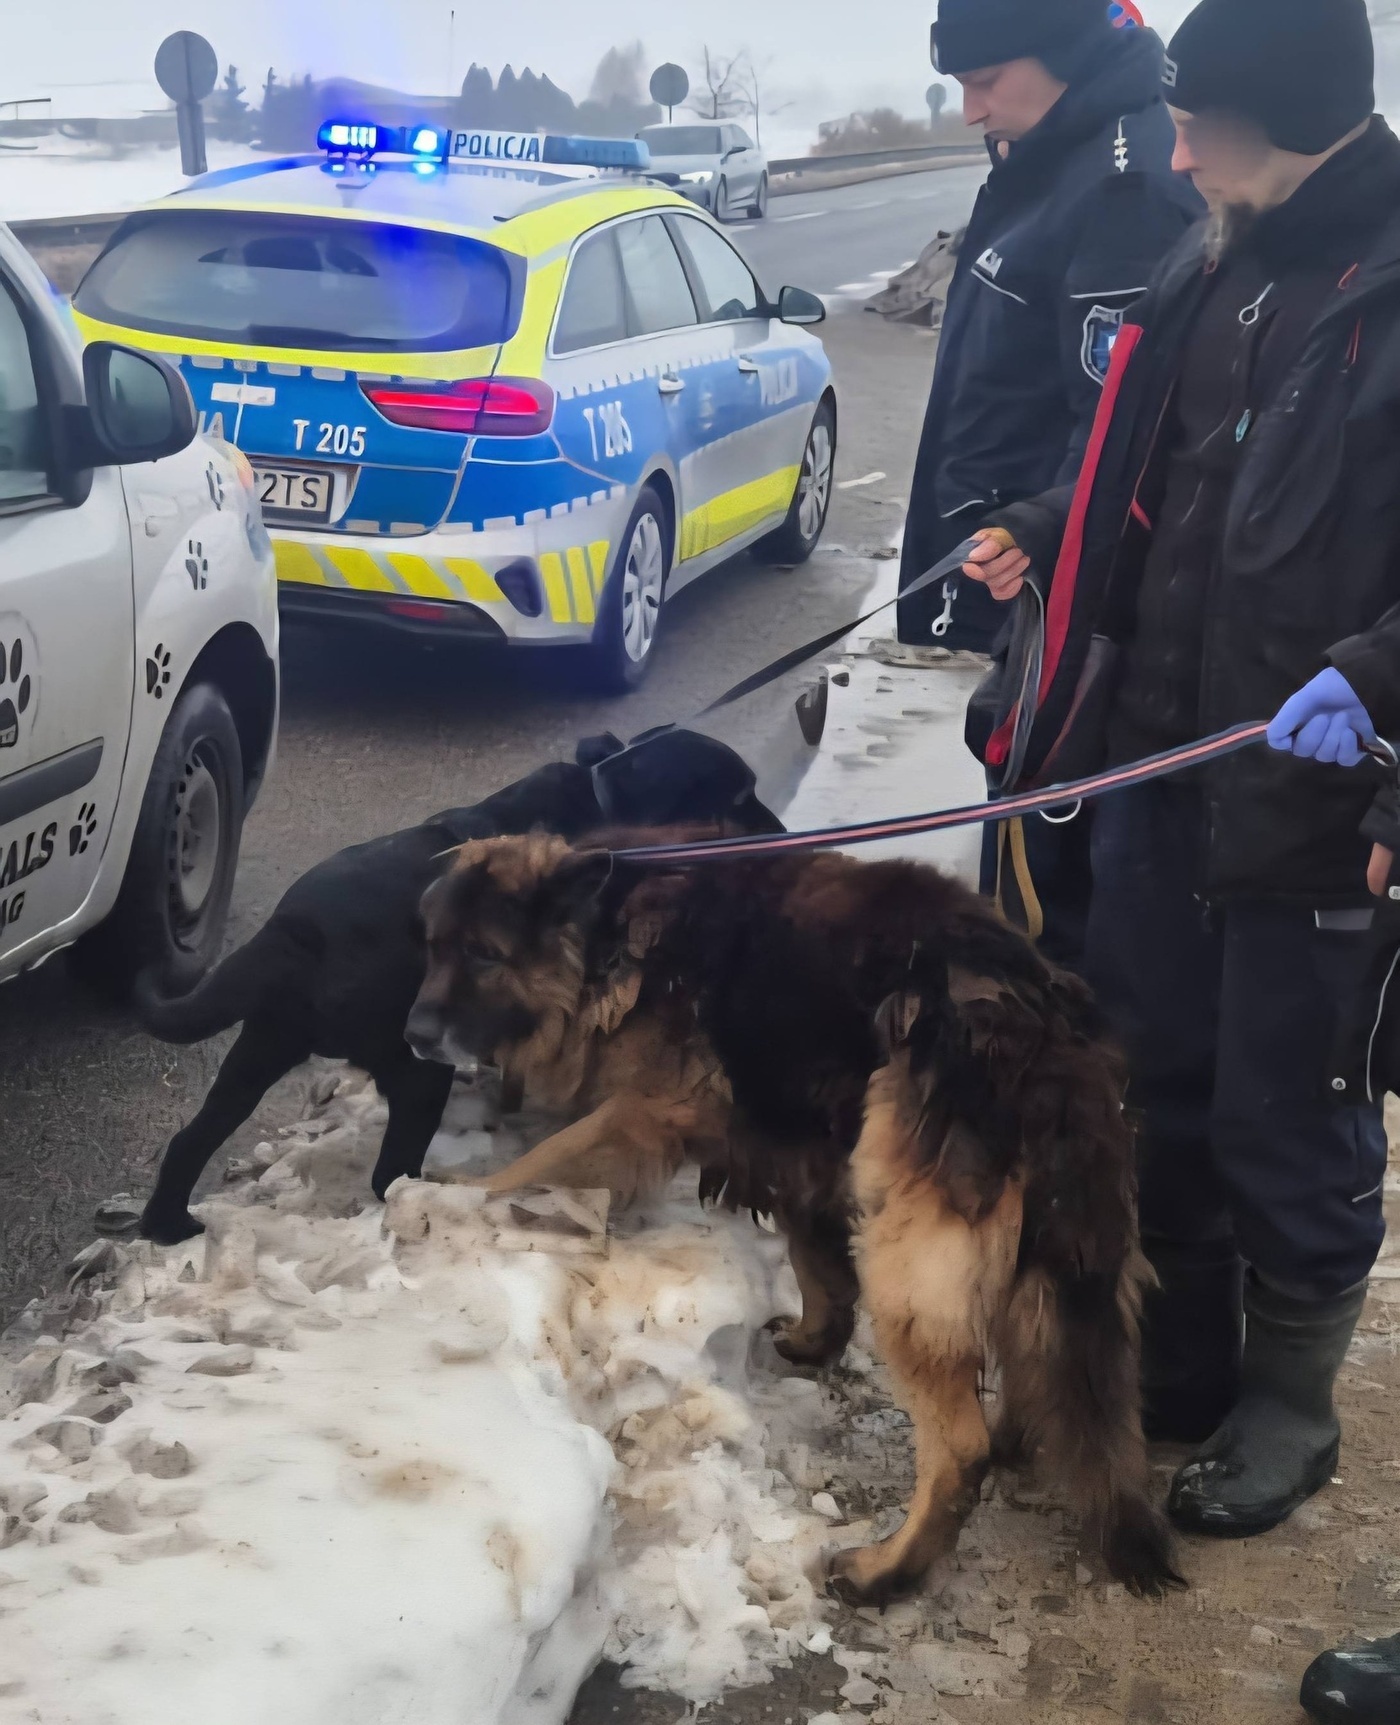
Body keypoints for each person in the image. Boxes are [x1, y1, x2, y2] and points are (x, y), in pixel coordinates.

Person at [958, 0, 1399, 1538]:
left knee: (1294, 1115)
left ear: (1287, 114)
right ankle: (1190, 1364)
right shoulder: (1209, 260)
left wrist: (1379, 680)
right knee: (1155, 1087)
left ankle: (1291, 1411)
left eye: (1203, 119)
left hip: (1312, 801)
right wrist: (1037, 514)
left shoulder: (1390, 289)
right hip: (1153, 765)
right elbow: (1145, 465)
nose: (1181, 143)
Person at [900, 0, 1200, 965]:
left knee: (1041, 916)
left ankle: (1047, 1094)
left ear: (1066, 54)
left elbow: (1121, 430)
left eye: (986, 79)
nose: (970, 109)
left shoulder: (1127, 188)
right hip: (1019, 586)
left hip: (1068, 612)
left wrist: (1036, 538)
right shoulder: (1051, 154)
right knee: (1017, 884)